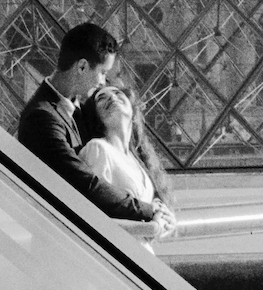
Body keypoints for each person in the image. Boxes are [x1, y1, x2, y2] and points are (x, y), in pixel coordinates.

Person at [17, 23, 166, 229]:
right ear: (82, 67)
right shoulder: (41, 118)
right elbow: (84, 182)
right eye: (103, 72)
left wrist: (156, 204)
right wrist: (147, 210)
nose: (104, 82)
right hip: (61, 246)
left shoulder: (76, 110)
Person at [77, 85, 176, 242]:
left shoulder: (134, 159)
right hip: (115, 257)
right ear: (95, 116)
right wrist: (153, 228)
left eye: (117, 93)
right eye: (101, 98)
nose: (112, 97)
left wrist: (166, 221)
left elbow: (147, 215)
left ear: (132, 109)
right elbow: (90, 218)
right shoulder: (98, 149)